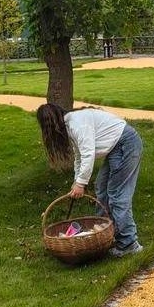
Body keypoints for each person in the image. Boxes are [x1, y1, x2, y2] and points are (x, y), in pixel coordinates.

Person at [36, 103, 144, 257]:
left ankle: (129, 243)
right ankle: (105, 234)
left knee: (117, 195)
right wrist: (77, 181)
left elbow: (88, 154)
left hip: (125, 144)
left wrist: (81, 183)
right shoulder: (69, 125)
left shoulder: (77, 124)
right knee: (101, 188)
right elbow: (79, 156)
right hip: (116, 146)